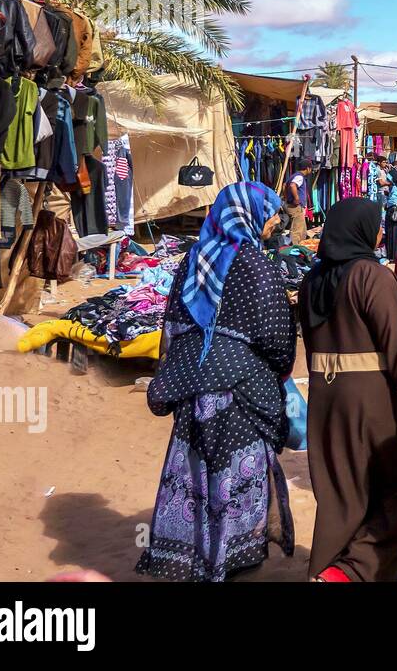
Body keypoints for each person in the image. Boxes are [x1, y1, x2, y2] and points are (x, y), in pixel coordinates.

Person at [137, 182, 296, 582]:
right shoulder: (258, 266)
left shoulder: (193, 261)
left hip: (192, 391)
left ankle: (192, 556)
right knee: (234, 482)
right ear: (249, 214)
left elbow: (172, 325)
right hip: (241, 395)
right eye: (270, 212)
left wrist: (181, 369)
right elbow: (278, 340)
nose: (275, 221)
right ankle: (231, 556)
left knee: (194, 476)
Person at [299, 198, 397, 582]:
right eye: (376, 226)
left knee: (343, 494)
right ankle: (350, 572)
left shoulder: (311, 281)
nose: (379, 232)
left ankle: (330, 568)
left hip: (325, 403)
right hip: (374, 402)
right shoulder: (372, 277)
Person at [284, 162, 313, 244]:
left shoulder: (294, 176)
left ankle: (302, 245)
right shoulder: (299, 177)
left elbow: (284, 185)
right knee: (297, 229)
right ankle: (295, 247)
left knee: (302, 228)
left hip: (292, 205)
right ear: (308, 168)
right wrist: (296, 198)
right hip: (295, 207)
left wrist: (286, 197)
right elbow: (292, 185)